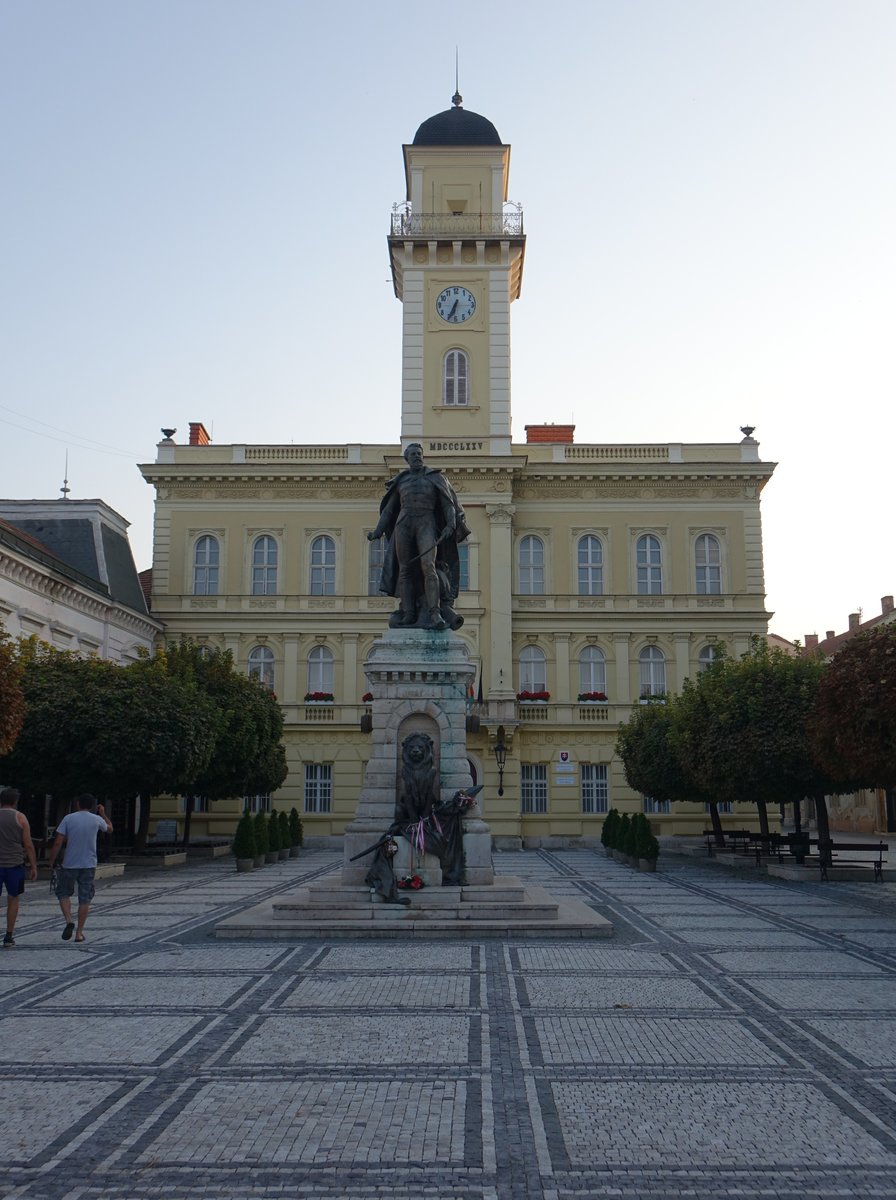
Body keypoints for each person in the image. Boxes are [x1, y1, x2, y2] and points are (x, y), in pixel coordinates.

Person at [368, 443, 469, 631]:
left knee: (428, 566)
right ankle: (408, 613)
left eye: (419, 453)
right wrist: (377, 531)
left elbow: (448, 504)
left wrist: (451, 524)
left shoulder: (435, 477)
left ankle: (434, 611)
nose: (417, 456)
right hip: (404, 523)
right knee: (405, 569)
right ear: (406, 459)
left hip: (426, 521)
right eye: (413, 454)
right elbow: (389, 511)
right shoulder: (401, 481)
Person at [47, 793, 113, 943]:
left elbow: (58, 842)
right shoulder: (96, 819)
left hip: (70, 864)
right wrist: (103, 814)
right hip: (88, 864)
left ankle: (69, 920)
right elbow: (110, 829)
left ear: (77, 804)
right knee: (85, 898)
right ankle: (79, 933)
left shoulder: (68, 818)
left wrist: (51, 860)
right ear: (91, 806)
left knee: (63, 893)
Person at [0, 787, 38, 948]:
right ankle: (9, 935)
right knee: (13, 897)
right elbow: (28, 844)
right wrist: (33, 865)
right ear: (15, 802)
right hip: (14, 864)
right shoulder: (20, 817)